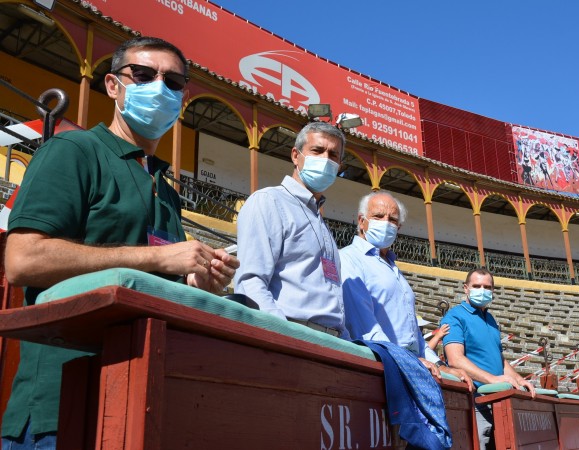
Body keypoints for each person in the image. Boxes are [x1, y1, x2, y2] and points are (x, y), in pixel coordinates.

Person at [2, 36, 239, 449]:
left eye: (174, 83)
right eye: (144, 75)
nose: (160, 89)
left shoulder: (165, 188)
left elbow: (151, 277)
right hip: (62, 406)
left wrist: (199, 281)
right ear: (113, 85)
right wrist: (160, 258)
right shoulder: (74, 150)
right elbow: (22, 260)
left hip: (141, 400)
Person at [340, 191, 473, 386]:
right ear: (361, 221)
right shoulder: (349, 259)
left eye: (392, 219)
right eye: (378, 216)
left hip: (407, 366)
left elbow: (413, 333)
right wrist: (407, 360)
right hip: (381, 367)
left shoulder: (393, 268)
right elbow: (363, 327)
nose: (385, 222)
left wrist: (439, 364)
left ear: (398, 228)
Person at [234, 121, 348, 339]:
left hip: (332, 340)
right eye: (317, 150)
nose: (325, 159)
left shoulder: (321, 223)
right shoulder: (269, 201)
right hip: (294, 334)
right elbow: (250, 282)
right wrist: (283, 335)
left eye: (333, 155)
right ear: (296, 156)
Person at [441, 268, 535, 450]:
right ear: (465, 288)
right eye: (476, 286)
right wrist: (493, 379)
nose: (482, 290)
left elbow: (499, 359)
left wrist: (518, 379)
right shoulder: (454, 316)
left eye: (487, 287)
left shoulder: (490, 319)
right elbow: (455, 359)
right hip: (475, 401)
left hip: (500, 399)